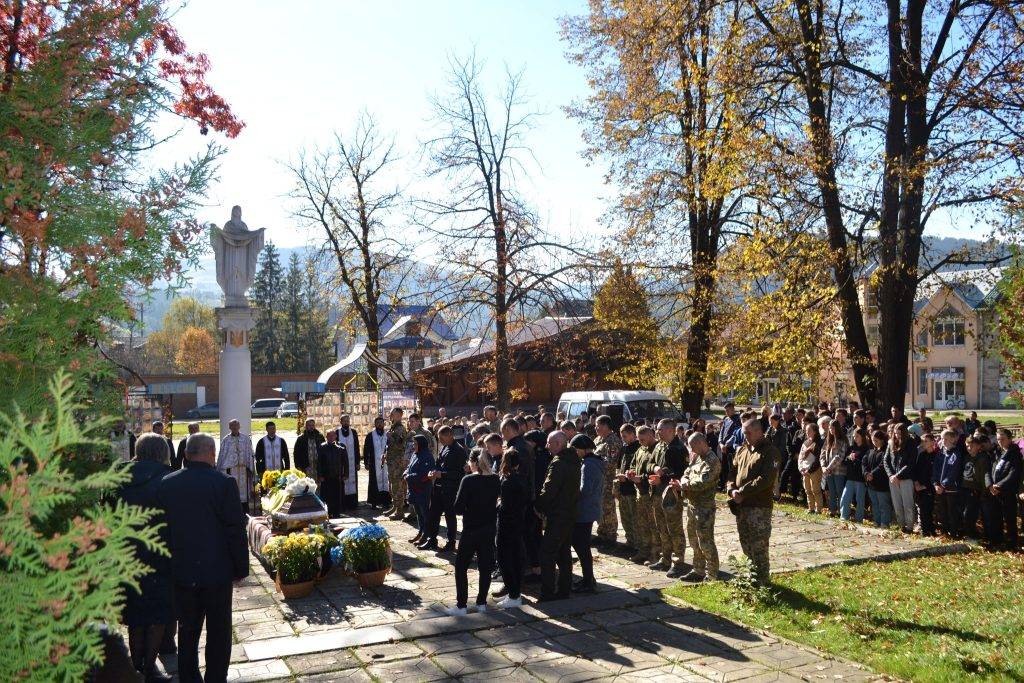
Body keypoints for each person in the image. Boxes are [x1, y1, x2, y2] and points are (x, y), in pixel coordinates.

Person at [158, 433, 248, 683]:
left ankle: (189, 677)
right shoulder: (224, 483)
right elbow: (234, 529)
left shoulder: (167, 483)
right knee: (219, 632)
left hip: (182, 571)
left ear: (186, 454)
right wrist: (241, 569)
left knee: (187, 630)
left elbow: (161, 530)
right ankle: (216, 678)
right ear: (211, 453)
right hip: (216, 572)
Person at [118, 433, 174, 682]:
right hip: (159, 554)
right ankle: (149, 667)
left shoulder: (118, 479)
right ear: (163, 452)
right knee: (158, 615)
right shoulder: (167, 479)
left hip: (126, 554)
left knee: (135, 614)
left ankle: (135, 666)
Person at [726, 418, 778, 586]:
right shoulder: (742, 450)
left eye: (748, 432)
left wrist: (742, 491)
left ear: (758, 431)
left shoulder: (770, 451)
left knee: (759, 545)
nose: (745, 435)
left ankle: (763, 581)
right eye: (744, 432)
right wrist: (732, 489)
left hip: (758, 506)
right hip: (741, 505)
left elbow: (765, 479)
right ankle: (752, 575)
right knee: (745, 541)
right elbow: (732, 473)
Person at [448, 447, 500, 615]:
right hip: (489, 529)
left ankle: (461, 605)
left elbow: (458, 508)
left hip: (471, 529)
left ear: (474, 463)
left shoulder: (468, 480)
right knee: (485, 567)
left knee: (461, 566)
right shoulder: (495, 479)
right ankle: (481, 603)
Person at [535, 430, 580, 602]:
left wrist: (538, 505)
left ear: (558, 444)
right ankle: (564, 589)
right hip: (569, 513)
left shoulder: (559, 463)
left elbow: (549, 490)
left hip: (558, 514)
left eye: (549, 443)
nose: (546, 446)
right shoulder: (573, 460)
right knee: (563, 553)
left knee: (547, 553)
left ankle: (547, 592)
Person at [675, 432, 721, 582]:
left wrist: (685, 485)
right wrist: (683, 480)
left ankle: (712, 574)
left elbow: (703, 482)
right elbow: (687, 472)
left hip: (704, 507)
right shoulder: (697, 458)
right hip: (692, 504)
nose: (692, 449)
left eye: (693, 446)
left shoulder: (712, 460)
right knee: (694, 540)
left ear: (701, 443)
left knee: (705, 541)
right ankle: (698, 570)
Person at [650, 419, 687, 577]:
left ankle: (678, 563)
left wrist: (663, 478)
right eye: (657, 430)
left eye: (661, 430)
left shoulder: (678, 448)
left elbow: (682, 473)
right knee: (662, 528)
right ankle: (665, 559)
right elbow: (650, 462)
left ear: (671, 430)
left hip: (672, 494)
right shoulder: (660, 445)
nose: (658, 432)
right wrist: (656, 468)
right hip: (658, 493)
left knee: (674, 529)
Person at [421, 425, 467, 551]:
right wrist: (433, 472)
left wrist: (443, 474)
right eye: (439, 438)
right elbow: (438, 464)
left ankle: (451, 542)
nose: (440, 441)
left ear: (450, 435)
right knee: (433, 514)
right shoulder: (444, 447)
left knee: (450, 516)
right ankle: (432, 539)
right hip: (438, 486)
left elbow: (460, 473)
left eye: (442, 438)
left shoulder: (459, 450)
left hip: (450, 488)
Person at [570, 434, 603, 594]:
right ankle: (588, 578)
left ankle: (588, 581)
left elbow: (585, 489)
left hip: (585, 510)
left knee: (581, 546)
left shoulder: (588, 465)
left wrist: (569, 494)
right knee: (581, 545)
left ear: (583, 449)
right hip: (589, 509)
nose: (575, 452)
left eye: (576, 449)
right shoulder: (592, 462)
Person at [496, 448, 528, 608]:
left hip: (507, 525)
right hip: (518, 524)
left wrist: (499, 504)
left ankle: (514, 595)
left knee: (505, 559)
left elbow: (506, 507)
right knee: (515, 559)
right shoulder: (521, 478)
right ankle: (514, 594)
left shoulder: (508, 481)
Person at [629, 425, 660, 564]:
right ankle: (643, 551)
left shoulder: (657, 449)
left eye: (643, 439)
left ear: (651, 436)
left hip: (651, 493)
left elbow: (655, 470)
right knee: (642, 524)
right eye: (639, 439)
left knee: (653, 525)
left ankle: (655, 555)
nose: (640, 442)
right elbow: (633, 463)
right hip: (639, 492)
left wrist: (640, 478)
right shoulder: (640, 449)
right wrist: (630, 473)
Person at [986, 429, 1022, 549]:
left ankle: (1011, 542)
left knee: (1009, 518)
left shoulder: (1015, 453)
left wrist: (999, 485)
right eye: (998, 439)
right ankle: (996, 540)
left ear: (1010, 439)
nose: (1000, 441)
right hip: (994, 491)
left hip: (1007, 491)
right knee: (995, 517)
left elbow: (1014, 473)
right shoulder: (996, 452)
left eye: (1003, 439)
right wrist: (990, 485)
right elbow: (989, 470)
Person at [593, 415, 622, 545]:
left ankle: (610, 535)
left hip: (609, 480)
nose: (596, 428)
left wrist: (595, 462)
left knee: (608, 507)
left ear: (605, 426)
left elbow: (612, 462)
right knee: (600, 506)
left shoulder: (613, 441)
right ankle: (602, 532)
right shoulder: (598, 439)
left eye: (598, 425)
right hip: (598, 479)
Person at [217, 420, 255, 516]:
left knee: (244, 494)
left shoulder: (246, 439)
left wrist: (250, 468)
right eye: (232, 426)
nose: (234, 428)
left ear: (239, 426)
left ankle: (244, 512)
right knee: (232, 492)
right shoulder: (226, 440)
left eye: (236, 426)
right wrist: (221, 472)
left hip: (243, 470)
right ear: (229, 428)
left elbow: (250, 454)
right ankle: (232, 513)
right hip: (231, 471)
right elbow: (222, 456)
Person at [934, 429, 966, 538]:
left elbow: (953, 471)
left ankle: (953, 532)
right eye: (942, 438)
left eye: (946, 439)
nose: (943, 441)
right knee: (942, 511)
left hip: (951, 488)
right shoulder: (940, 453)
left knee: (952, 511)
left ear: (953, 439)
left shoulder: (956, 453)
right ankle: (944, 531)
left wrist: (943, 485)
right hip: (939, 488)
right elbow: (936, 469)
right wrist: (936, 483)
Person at [885, 424, 917, 533]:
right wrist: (891, 475)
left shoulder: (911, 443)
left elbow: (910, 463)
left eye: (900, 433)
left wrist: (898, 475)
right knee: (897, 504)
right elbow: (886, 461)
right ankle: (901, 525)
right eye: (896, 433)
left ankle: (909, 526)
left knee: (908, 504)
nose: (897, 436)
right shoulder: (891, 443)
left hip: (906, 478)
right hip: (893, 479)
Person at [405, 434, 436, 545]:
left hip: (422, 489)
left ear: (421, 444)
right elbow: (409, 467)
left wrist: (409, 477)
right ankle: (421, 532)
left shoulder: (427, 456)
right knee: (418, 513)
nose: (414, 445)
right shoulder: (415, 454)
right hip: (414, 489)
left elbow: (424, 475)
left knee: (424, 514)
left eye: (415, 443)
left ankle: (426, 535)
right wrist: (405, 473)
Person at [961, 432, 992, 539]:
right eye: (967, 446)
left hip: (975, 491)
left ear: (979, 446)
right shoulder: (966, 458)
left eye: (972, 446)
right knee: (966, 514)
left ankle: (973, 536)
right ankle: (970, 534)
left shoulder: (982, 458)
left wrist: (984, 491)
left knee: (969, 515)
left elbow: (985, 476)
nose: (969, 448)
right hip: (965, 489)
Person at [615, 423, 640, 550]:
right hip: (623, 488)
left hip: (633, 489)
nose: (623, 438)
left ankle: (638, 544)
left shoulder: (638, 448)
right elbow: (619, 465)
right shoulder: (624, 448)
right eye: (621, 436)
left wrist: (628, 476)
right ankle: (630, 541)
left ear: (632, 434)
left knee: (635, 519)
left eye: (625, 436)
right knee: (625, 518)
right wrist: (619, 474)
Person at [863, 430, 893, 528]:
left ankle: (885, 522)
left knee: (883, 504)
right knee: (875, 504)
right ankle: (877, 521)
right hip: (871, 483)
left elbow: (882, 465)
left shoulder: (885, 451)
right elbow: (864, 462)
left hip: (881, 483)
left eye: (876, 440)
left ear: (882, 440)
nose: (874, 442)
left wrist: (872, 474)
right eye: (873, 440)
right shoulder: (871, 450)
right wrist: (866, 473)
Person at [384, 408, 410, 521]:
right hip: (392, 461)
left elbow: (400, 445)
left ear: (399, 415)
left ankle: (400, 511)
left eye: (393, 414)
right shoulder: (394, 426)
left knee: (398, 486)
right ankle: (395, 506)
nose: (391, 415)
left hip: (397, 462)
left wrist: (391, 437)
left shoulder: (400, 428)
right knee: (394, 484)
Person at [839, 428, 869, 522]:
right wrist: (849, 458)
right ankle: (844, 516)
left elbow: (864, 464)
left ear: (862, 437)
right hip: (850, 477)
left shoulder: (866, 449)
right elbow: (844, 461)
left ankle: (859, 519)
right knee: (845, 498)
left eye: (857, 436)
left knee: (860, 500)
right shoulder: (851, 448)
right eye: (854, 436)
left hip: (860, 478)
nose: (855, 438)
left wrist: (855, 459)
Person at [317, 430, 348, 518]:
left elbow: (345, 462)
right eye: (328, 436)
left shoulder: (341, 447)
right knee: (327, 495)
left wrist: (346, 474)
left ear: (335, 436)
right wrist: (320, 475)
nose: (331, 438)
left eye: (332, 436)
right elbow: (319, 462)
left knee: (337, 495)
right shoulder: (322, 447)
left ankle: (337, 512)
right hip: (326, 476)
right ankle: (328, 512)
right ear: (326, 437)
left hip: (337, 475)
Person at [912, 432, 938, 536]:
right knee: (921, 510)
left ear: (933, 442)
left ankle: (930, 530)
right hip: (919, 487)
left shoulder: (936, 456)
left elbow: (934, 474)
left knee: (928, 510)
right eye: (923, 441)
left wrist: (925, 486)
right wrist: (916, 483)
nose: (923, 443)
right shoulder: (922, 455)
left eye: (926, 441)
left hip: (929, 487)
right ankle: (924, 530)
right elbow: (916, 470)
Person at [363, 416, 391, 509]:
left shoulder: (388, 435)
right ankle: (374, 502)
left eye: (381, 422)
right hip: (374, 463)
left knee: (385, 482)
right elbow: (366, 450)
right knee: (374, 482)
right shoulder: (370, 435)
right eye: (378, 422)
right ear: (375, 424)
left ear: (384, 424)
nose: (380, 424)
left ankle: (386, 502)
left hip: (386, 463)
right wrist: (366, 462)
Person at [822, 421, 848, 517]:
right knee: (831, 491)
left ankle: (842, 512)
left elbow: (839, 456)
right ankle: (832, 510)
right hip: (828, 471)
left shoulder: (843, 441)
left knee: (840, 491)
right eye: (830, 428)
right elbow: (823, 453)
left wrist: (828, 468)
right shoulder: (828, 440)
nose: (831, 430)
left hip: (839, 471)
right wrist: (823, 466)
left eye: (832, 428)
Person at [798, 421, 824, 514]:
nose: (807, 432)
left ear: (815, 431)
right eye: (806, 430)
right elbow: (800, 457)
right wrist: (801, 468)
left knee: (815, 490)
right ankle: (811, 508)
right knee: (807, 490)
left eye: (809, 430)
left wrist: (810, 470)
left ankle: (819, 509)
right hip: (804, 470)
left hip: (814, 470)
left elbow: (818, 459)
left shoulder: (819, 443)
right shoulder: (805, 443)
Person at [337, 414, 360, 511]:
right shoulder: (337, 432)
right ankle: (343, 504)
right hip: (341, 463)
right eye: (344, 421)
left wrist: (358, 462)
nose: (346, 422)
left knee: (353, 482)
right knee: (343, 482)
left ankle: (353, 503)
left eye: (348, 421)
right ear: (341, 422)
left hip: (352, 461)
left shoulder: (353, 432)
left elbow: (357, 447)